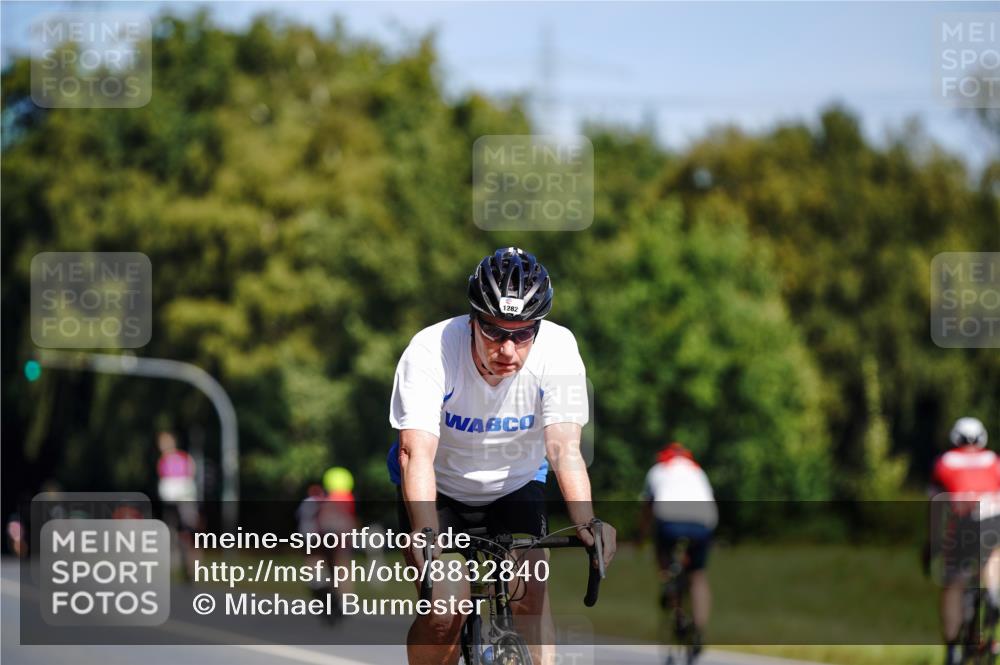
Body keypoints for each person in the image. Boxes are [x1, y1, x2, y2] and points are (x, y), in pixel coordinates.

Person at [387, 247, 617, 665]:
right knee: (445, 608)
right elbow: (413, 453)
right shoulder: (430, 350)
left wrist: (586, 520)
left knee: (531, 585)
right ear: (472, 319)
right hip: (440, 488)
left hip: (516, 482)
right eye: (494, 331)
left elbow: (564, 448)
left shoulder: (560, 350)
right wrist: (424, 532)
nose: (508, 348)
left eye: (522, 333)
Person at [929, 417, 1000, 665]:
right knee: (992, 554)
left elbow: (936, 507)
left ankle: (951, 649)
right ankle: (993, 591)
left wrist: (932, 544)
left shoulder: (945, 461)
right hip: (993, 517)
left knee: (953, 584)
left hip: (963, 521)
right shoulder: (993, 460)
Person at [639, 442, 717, 661]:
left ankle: (668, 582)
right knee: (698, 576)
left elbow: (647, 509)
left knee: (661, 549)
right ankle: (699, 630)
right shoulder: (697, 470)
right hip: (702, 522)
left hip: (669, 520)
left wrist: (641, 538)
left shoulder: (658, 470)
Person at [156, 431, 199, 577]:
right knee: (172, 532)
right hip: (170, 503)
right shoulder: (162, 461)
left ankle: (191, 566)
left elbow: (190, 476)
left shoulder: (183, 458)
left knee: (188, 532)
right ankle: (176, 564)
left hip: (185, 500)